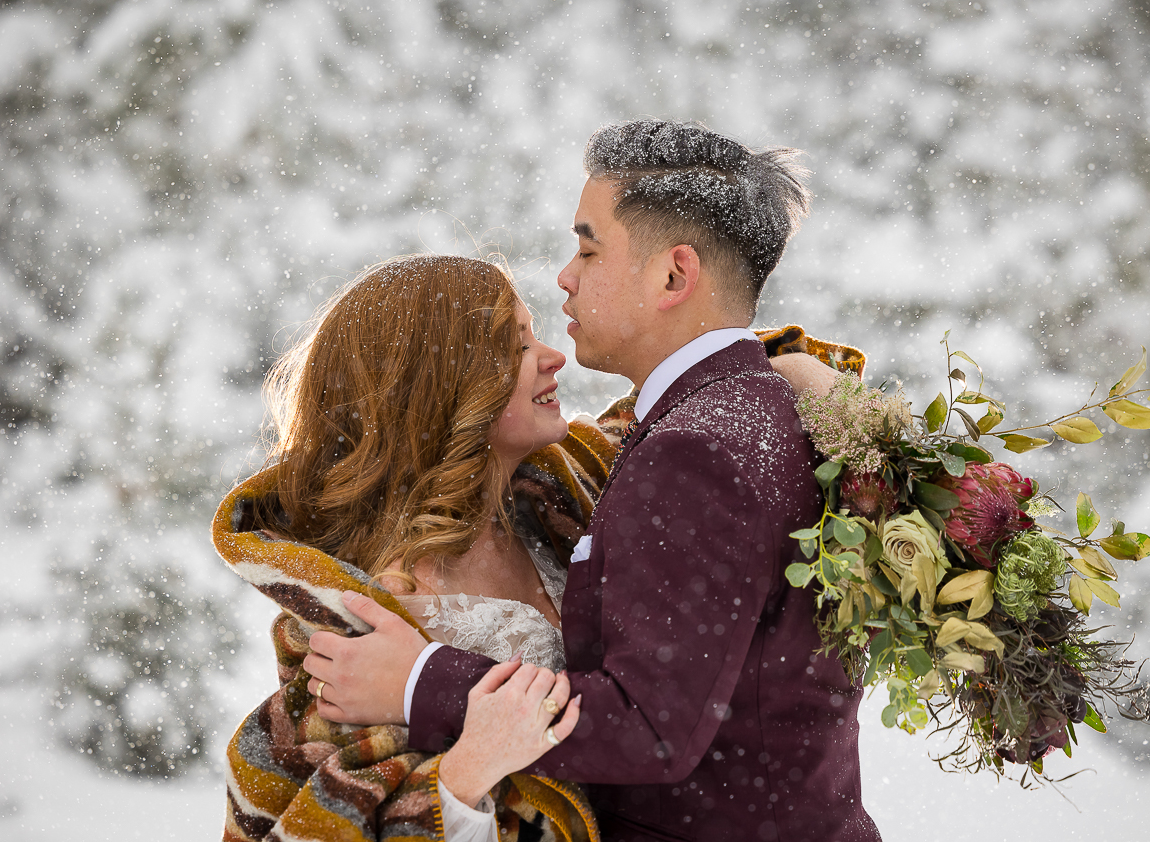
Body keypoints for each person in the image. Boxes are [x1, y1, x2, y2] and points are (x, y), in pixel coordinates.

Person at [305, 121, 882, 842]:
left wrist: (422, 680)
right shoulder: (751, 409)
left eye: (588, 247)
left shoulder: (695, 447)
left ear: (674, 274)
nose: (565, 277)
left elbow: (650, 725)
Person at [215, 254, 604, 842]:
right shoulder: (373, 612)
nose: (554, 356)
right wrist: (468, 772)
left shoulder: (556, 501)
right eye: (517, 346)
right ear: (442, 386)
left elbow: (686, 403)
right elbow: (330, 821)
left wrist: (789, 367)